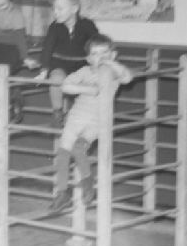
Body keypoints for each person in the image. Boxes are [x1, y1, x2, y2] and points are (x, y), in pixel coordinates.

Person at [47, 34, 133, 214]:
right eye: (95, 54)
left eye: (104, 53)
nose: (100, 57)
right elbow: (65, 86)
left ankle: (87, 183)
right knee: (63, 151)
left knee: (79, 148)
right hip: (77, 116)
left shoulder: (113, 73)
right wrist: (88, 89)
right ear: (88, 58)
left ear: (113, 55)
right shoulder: (85, 71)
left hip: (98, 120)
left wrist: (111, 64)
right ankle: (62, 192)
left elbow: (127, 77)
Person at [40, 0, 101, 127]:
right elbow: (47, 48)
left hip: (81, 65)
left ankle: (75, 114)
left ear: (74, 8)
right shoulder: (54, 27)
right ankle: (57, 112)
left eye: (60, 9)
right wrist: (44, 69)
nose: (55, 12)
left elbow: (97, 44)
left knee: (86, 86)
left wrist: (101, 63)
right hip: (59, 63)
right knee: (56, 79)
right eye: (54, 9)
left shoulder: (87, 25)